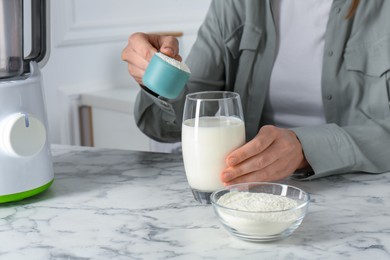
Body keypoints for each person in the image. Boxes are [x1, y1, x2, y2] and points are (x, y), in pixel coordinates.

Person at [121, 0, 390, 185]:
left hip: (364, 196)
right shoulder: (237, 4)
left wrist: (305, 149)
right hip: (247, 195)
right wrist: (157, 75)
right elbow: (167, 126)